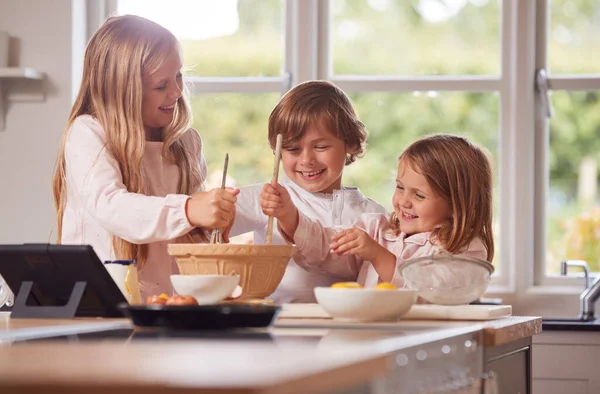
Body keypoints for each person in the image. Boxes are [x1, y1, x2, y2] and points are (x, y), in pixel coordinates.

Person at [52, 15, 238, 298]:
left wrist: (209, 223)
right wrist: (189, 210)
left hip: (166, 304)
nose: (176, 92)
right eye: (161, 85)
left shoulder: (185, 142)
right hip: (96, 306)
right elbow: (113, 208)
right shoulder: (89, 133)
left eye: (178, 76)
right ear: (122, 91)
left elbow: (181, 231)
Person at [262, 134, 494, 287]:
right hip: (370, 341)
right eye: (400, 187)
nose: (404, 201)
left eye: (419, 195)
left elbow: (431, 292)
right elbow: (326, 247)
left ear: (458, 204)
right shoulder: (377, 230)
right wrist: (288, 216)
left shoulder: (465, 248)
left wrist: (378, 255)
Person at [230, 80, 386, 303]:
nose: (306, 160)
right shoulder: (267, 198)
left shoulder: (375, 215)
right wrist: (217, 208)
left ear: (350, 143)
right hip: (279, 328)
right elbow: (204, 222)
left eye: (321, 147)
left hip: (348, 330)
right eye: (292, 149)